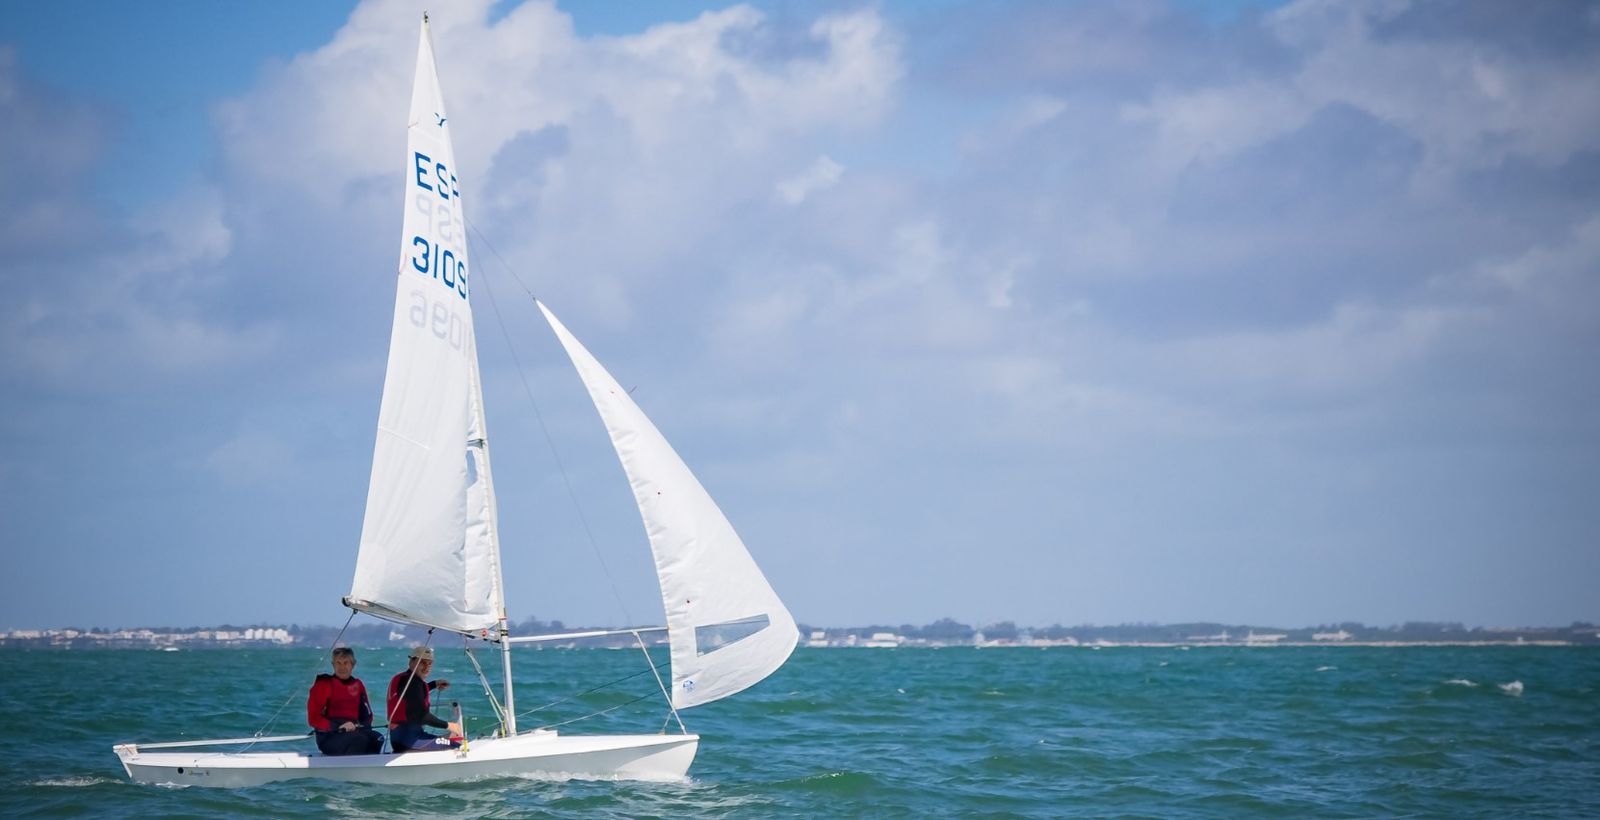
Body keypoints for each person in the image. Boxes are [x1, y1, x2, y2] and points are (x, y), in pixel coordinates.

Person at [306, 647, 385, 756]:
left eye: (345, 663)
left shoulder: (358, 685)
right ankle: (351, 770)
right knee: (359, 740)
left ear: (353, 664)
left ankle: (369, 769)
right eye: (338, 663)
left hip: (354, 732)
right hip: (330, 736)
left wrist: (358, 725)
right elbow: (313, 718)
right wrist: (337, 727)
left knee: (378, 738)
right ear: (333, 665)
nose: (342, 667)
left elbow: (367, 716)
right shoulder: (324, 685)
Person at [386, 645, 461, 752]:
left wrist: (434, 684)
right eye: (422, 663)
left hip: (401, 738)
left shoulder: (405, 678)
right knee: (455, 746)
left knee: (447, 740)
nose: (426, 667)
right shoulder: (412, 683)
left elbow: (412, 696)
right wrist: (449, 725)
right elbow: (422, 716)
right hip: (409, 739)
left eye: (429, 664)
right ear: (411, 661)